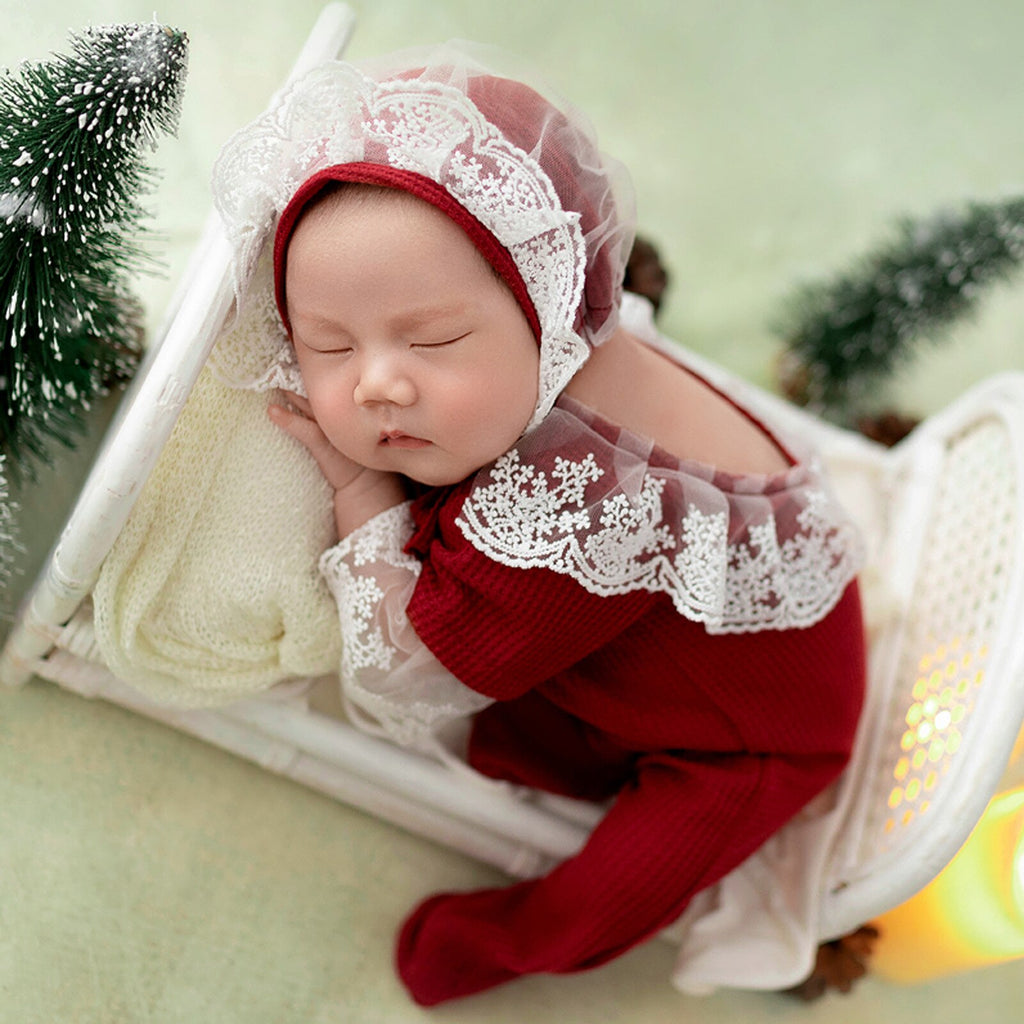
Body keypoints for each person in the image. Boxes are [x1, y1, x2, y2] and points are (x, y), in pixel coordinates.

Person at [213, 43, 867, 1006]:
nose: (378, 381)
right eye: (327, 345)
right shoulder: (552, 362)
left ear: (548, 305)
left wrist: (360, 488)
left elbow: (418, 671)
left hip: (759, 736)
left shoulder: (572, 499)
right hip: (711, 620)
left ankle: (497, 948)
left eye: (433, 339)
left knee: (618, 890)